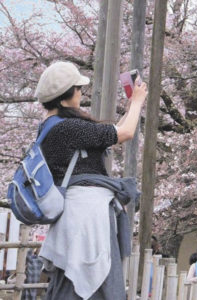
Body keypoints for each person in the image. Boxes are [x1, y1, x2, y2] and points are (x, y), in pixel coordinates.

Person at [34, 61, 147, 300]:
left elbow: (114, 131)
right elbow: (123, 133)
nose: (81, 93)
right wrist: (137, 102)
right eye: (78, 89)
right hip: (87, 217)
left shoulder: (48, 127)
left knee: (71, 281)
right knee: (93, 281)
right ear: (67, 95)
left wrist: (130, 108)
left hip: (72, 215)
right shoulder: (69, 128)